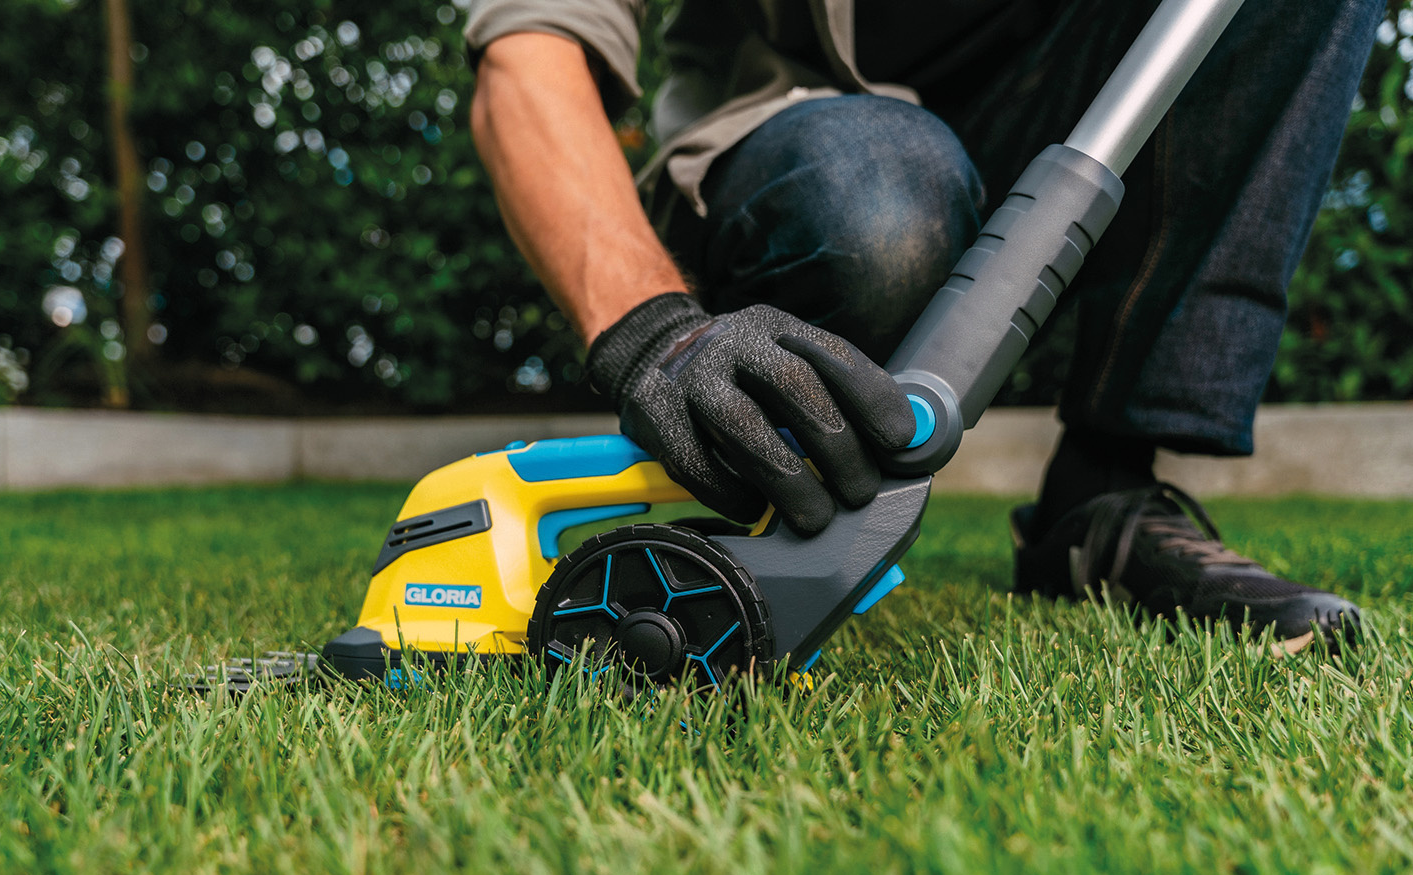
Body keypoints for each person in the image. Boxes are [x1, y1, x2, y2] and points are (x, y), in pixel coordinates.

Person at [464, 0, 1380, 649]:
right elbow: (531, 42)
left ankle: (1104, 493)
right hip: (812, 134)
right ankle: (768, 461)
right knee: (880, 216)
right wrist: (652, 333)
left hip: (1077, 87)